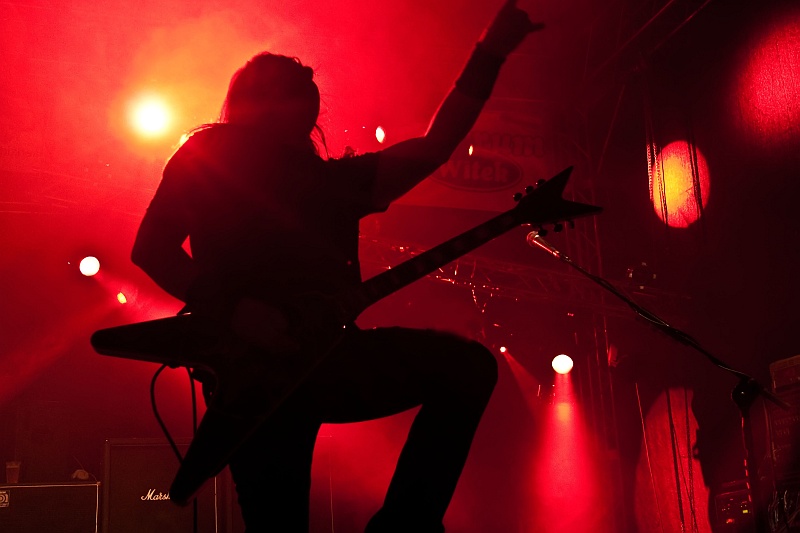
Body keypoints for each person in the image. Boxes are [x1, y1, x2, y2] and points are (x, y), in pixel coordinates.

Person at [130, 1, 543, 531]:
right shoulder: (208, 154)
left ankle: (403, 525)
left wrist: (489, 54)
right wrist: (234, 310)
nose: (294, 97)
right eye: (278, 87)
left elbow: (435, 147)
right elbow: (151, 249)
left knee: (467, 368)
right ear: (250, 102)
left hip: (324, 358)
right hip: (253, 374)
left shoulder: (330, 183)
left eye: (300, 90)